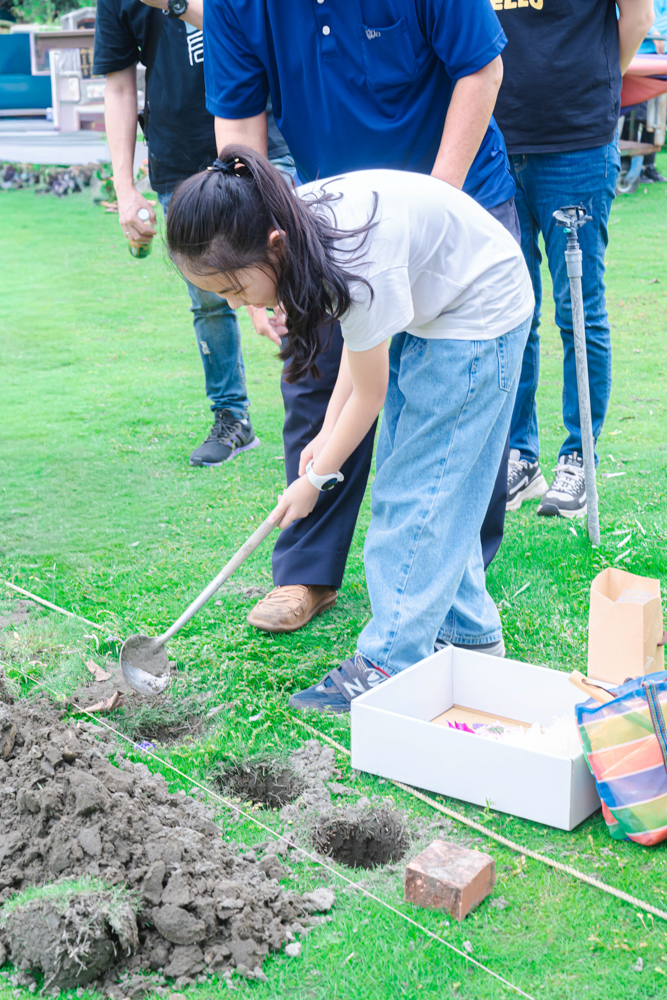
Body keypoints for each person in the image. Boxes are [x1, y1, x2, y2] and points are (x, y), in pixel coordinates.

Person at [165, 149, 534, 711]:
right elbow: (359, 357)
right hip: (443, 306)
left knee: (417, 496)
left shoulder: (352, 256)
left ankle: (388, 663)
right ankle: (470, 639)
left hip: (477, 314)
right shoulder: (297, 226)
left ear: (272, 246)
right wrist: (323, 439)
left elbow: (371, 392)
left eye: (237, 289)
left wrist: (313, 479)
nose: (240, 305)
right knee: (438, 489)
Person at [203, 0, 520, 636]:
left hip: (454, 208)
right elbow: (238, 123)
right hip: (331, 227)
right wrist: (257, 262)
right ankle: (309, 569)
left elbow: (481, 72)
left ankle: (451, 583)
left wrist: (434, 209)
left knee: (454, 415)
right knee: (316, 380)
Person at [94, 0, 295, 467]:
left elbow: (256, 23)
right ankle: (232, 419)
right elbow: (119, 85)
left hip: (261, 141)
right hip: (178, 156)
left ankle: (318, 407)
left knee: (290, 278)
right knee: (211, 297)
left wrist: (176, 4)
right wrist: (125, 189)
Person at [492, 0, 655, 518]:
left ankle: (578, 457)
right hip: (495, 141)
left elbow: (639, 19)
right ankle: (520, 454)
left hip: (576, 142)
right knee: (508, 312)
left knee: (578, 311)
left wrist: (593, 85)